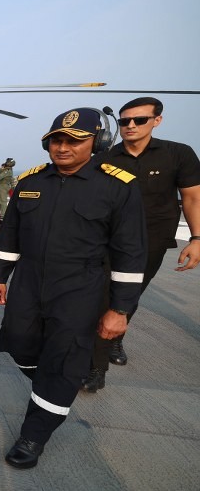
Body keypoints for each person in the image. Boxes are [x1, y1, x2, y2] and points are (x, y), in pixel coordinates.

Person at [0, 108, 147, 469]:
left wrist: (120, 309)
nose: (63, 148)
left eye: (74, 141)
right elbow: (10, 232)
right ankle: (56, 380)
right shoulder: (31, 182)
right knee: (18, 341)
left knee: (62, 362)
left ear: (97, 142)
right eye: (56, 140)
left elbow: (130, 252)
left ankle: (33, 436)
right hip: (28, 282)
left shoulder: (116, 185)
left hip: (79, 287)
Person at [82, 97, 200, 392]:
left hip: (153, 240)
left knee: (129, 295)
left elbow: (192, 198)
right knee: (104, 297)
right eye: (124, 121)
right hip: (110, 240)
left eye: (139, 120)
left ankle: (115, 337)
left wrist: (197, 239)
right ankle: (96, 367)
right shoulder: (106, 159)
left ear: (156, 120)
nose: (130, 126)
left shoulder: (178, 154)